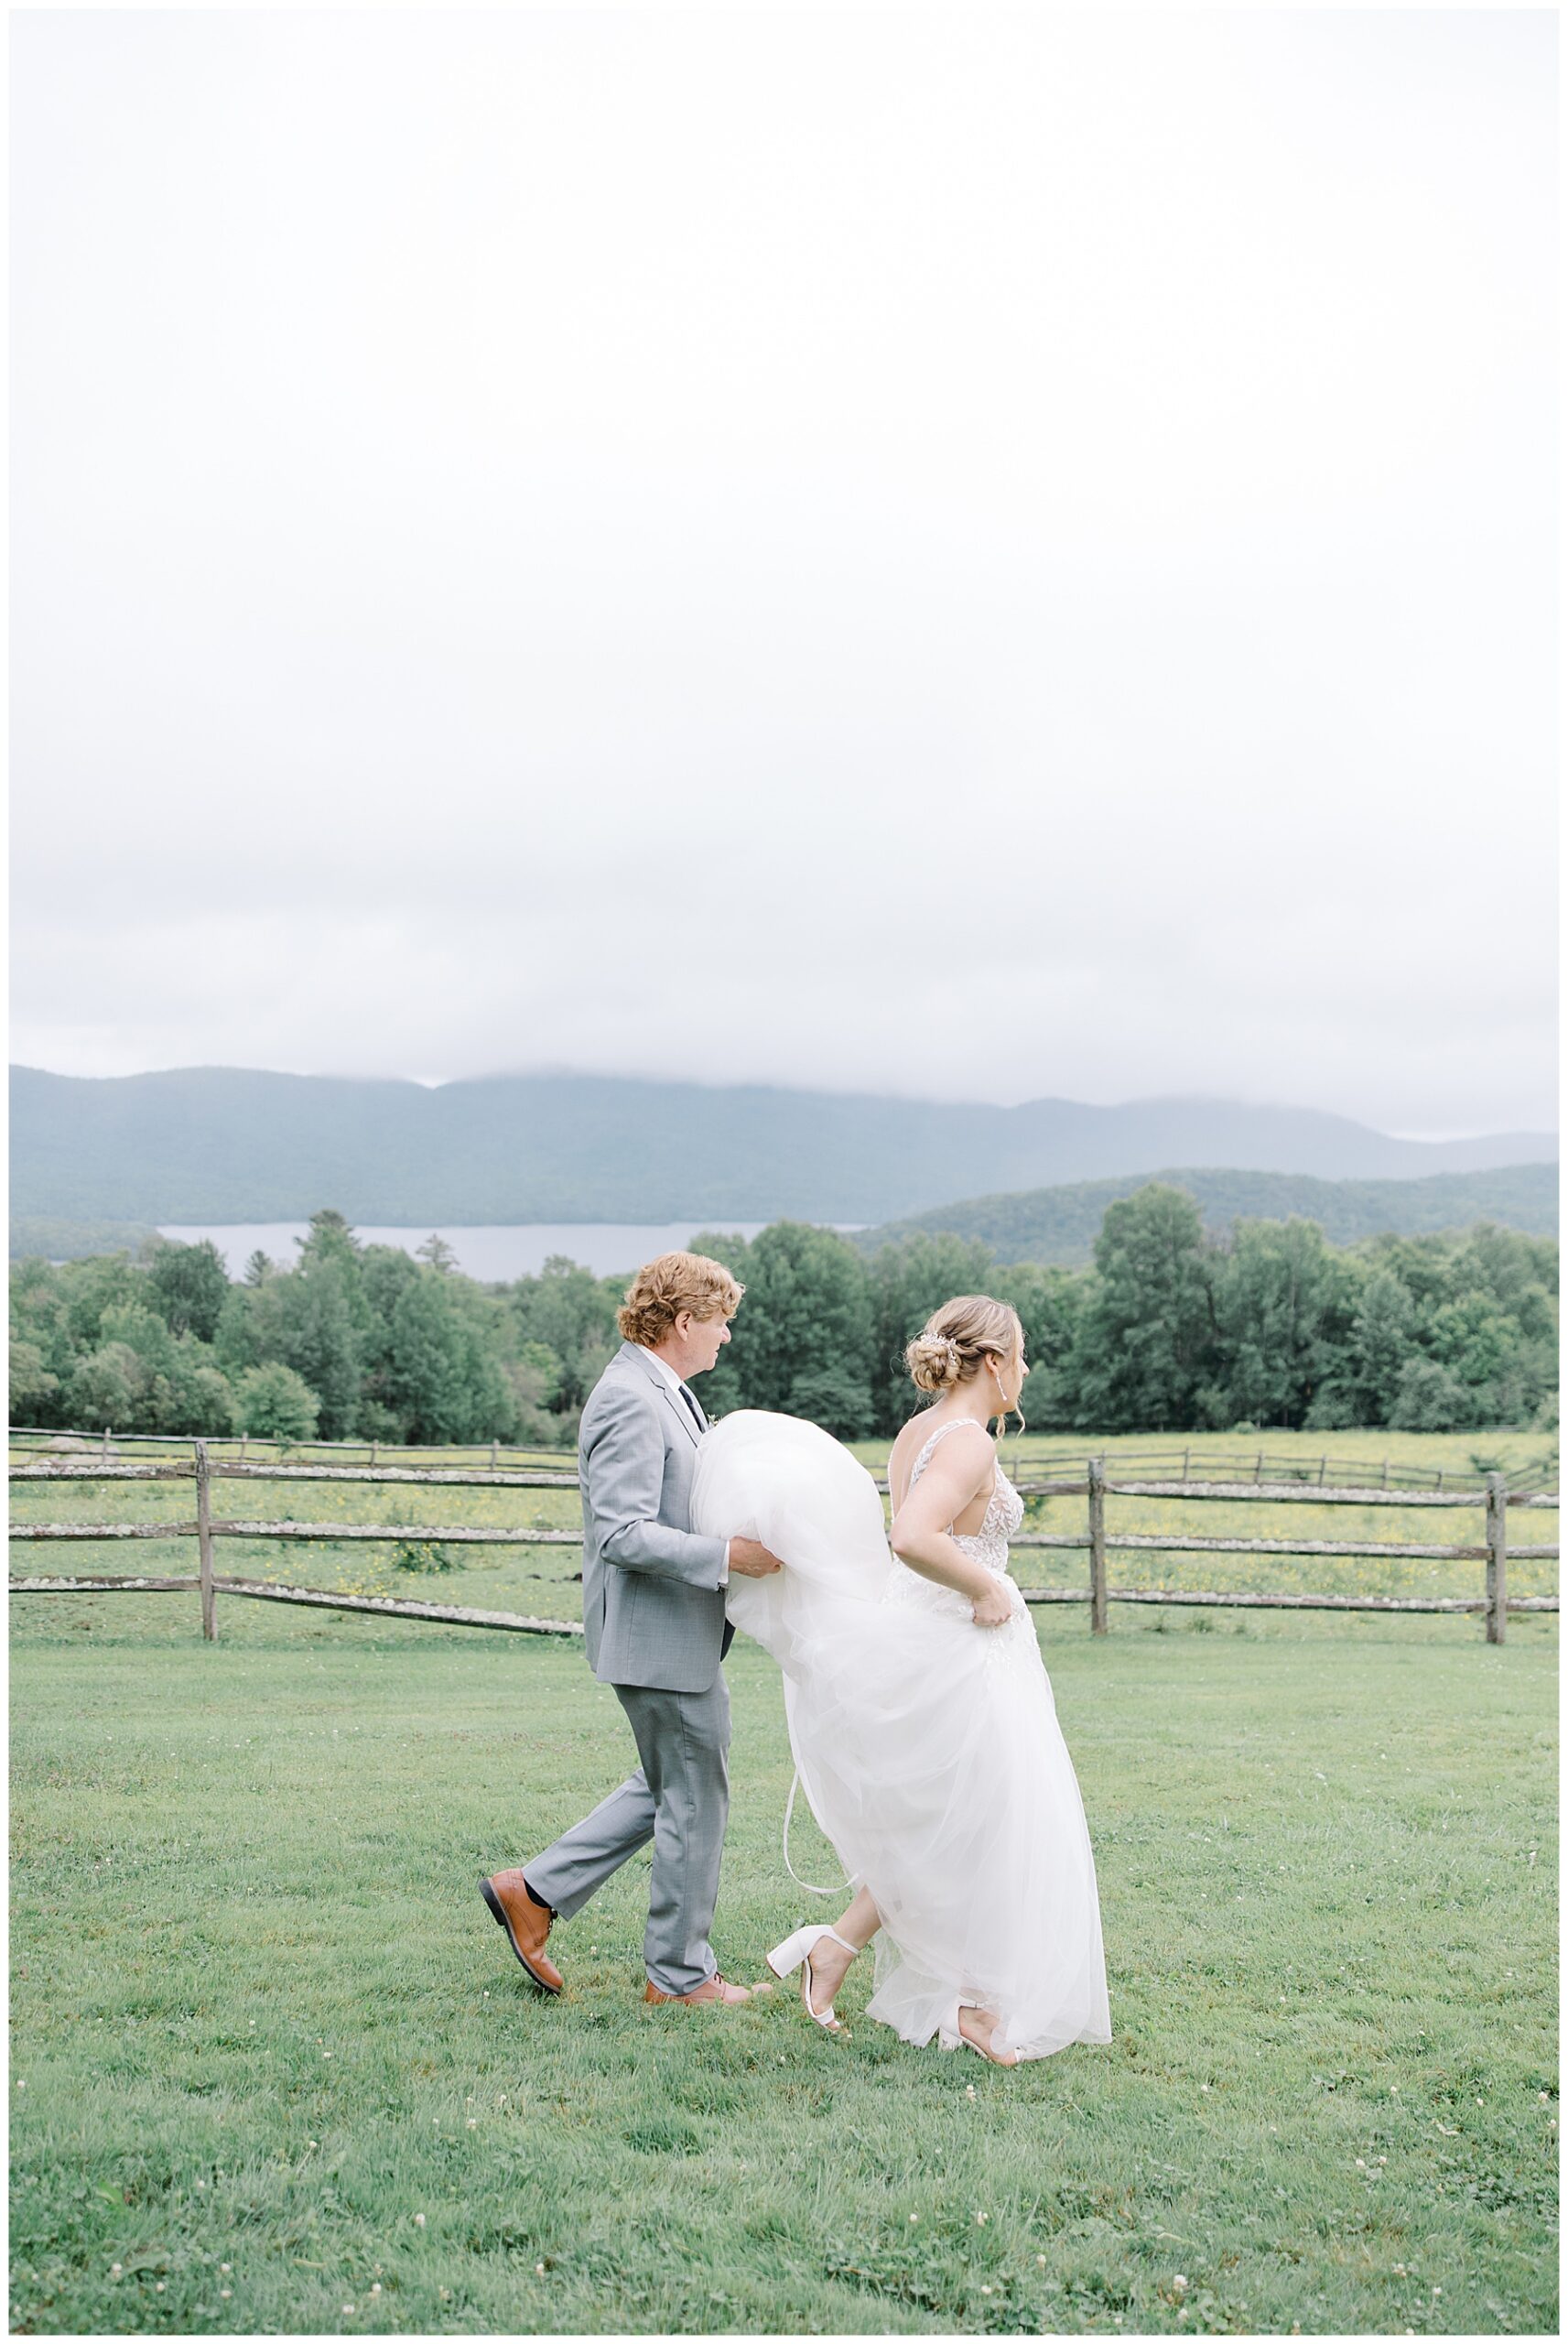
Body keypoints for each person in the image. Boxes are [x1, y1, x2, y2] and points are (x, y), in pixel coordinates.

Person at [693, 1294, 1110, 2066]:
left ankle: (854, 1955)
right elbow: (911, 1536)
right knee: (979, 1820)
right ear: (990, 1361)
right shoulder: (967, 1443)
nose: (1026, 1368)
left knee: (952, 1822)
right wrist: (986, 1589)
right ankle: (967, 2000)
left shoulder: (923, 1431)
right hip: (955, 1645)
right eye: (1019, 1354)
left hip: (935, 1639)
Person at [480, 1251, 783, 2006]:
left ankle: (532, 1892)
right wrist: (727, 1555)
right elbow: (621, 1533)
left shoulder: (663, 1390)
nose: (726, 1338)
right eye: (720, 1323)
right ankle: (678, 1978)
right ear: (684, 1321)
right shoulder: (629, 1398)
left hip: (673, 1635)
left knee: (667, 1784)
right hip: (656, 1639)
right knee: (692, 1797)